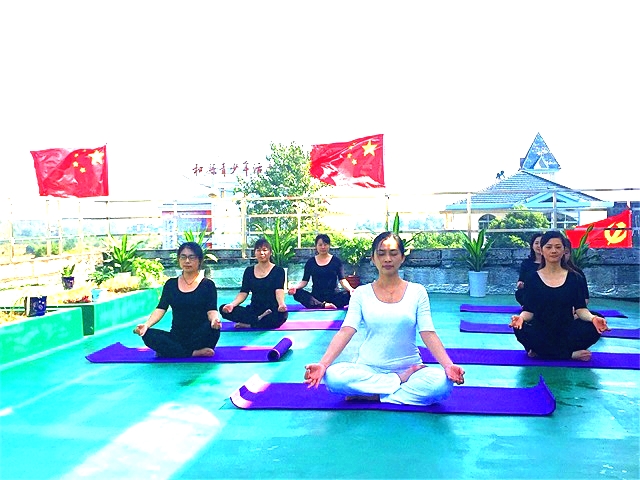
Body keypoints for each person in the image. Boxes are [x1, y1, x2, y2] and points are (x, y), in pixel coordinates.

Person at [304, 232, 465, 405]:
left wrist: (448, 366)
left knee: (441, 384)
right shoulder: (361, 293)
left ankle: (374, 395)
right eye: (381, 254)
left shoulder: (417, 292)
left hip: (410, 367)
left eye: (393, 253)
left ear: (402, 258)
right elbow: (346, 331)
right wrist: (323, 364)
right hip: (368, 368)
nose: (387, 259)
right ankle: (398, 382)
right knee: (333, 377)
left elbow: (428, 333)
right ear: (373, 258)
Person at [509, 230, 610, 361]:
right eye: (549, 247)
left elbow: (581, 309)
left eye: (558, 247)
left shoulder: (575, 277)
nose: (553, 251)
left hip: (567, 330)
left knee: (594, 325)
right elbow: (529, 311)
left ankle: (543, 352)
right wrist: (521, 318)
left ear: (564, 250)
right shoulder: (532, 278)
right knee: (520, 328)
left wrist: (593, 318)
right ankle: (569, 354)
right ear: (541, 250)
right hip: (541, 330)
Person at [133, 242, 221, 357]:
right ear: (179, 260)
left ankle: (172, 351)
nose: (187, 261)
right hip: (177, 336)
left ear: (199, 260)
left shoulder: (208, 285)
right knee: (148, 335)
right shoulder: (171, 284)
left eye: (191, 257)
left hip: (200, 336)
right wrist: (146, 325)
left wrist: (214, 320)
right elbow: (161, 308)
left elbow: (211, 310)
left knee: (211, 328)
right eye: (183, 257)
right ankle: (192, 353)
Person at [220, 238, 288, 329]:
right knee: (223, 309)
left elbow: (279, 289)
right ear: (255, 253)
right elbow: (243, 292)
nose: (261, 253)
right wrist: (232, 305)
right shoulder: (249, 271)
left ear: (270, 252)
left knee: (281, 315)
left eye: (264, 250)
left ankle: (251, 324)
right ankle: (258, 320)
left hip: (272, 310)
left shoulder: (278, 270)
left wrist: (281, 304)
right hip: (254, 310)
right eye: (258, 250)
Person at [288, 233, 355, 309]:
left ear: (329, 245)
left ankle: (322, 305)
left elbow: (342, 280)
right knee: (297, 293)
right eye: (320, 245)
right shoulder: (310, 262)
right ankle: (322, 305)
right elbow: (304, 281)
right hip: (316, 297)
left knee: (351, 294)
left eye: (325, 244)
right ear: (316, 246)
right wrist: (294, 288)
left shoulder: (336, 261)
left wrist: (351, 290)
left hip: (334, 296)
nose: (323, 247)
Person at [515, 232, 543, 305]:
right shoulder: (526, 263)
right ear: (532, 245)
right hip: (530, 291)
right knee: (519, 293)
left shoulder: (551, 262)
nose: (539, 246)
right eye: (536, 243)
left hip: (546, 291)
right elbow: (521, 279)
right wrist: (520, 284)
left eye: (541, 243)